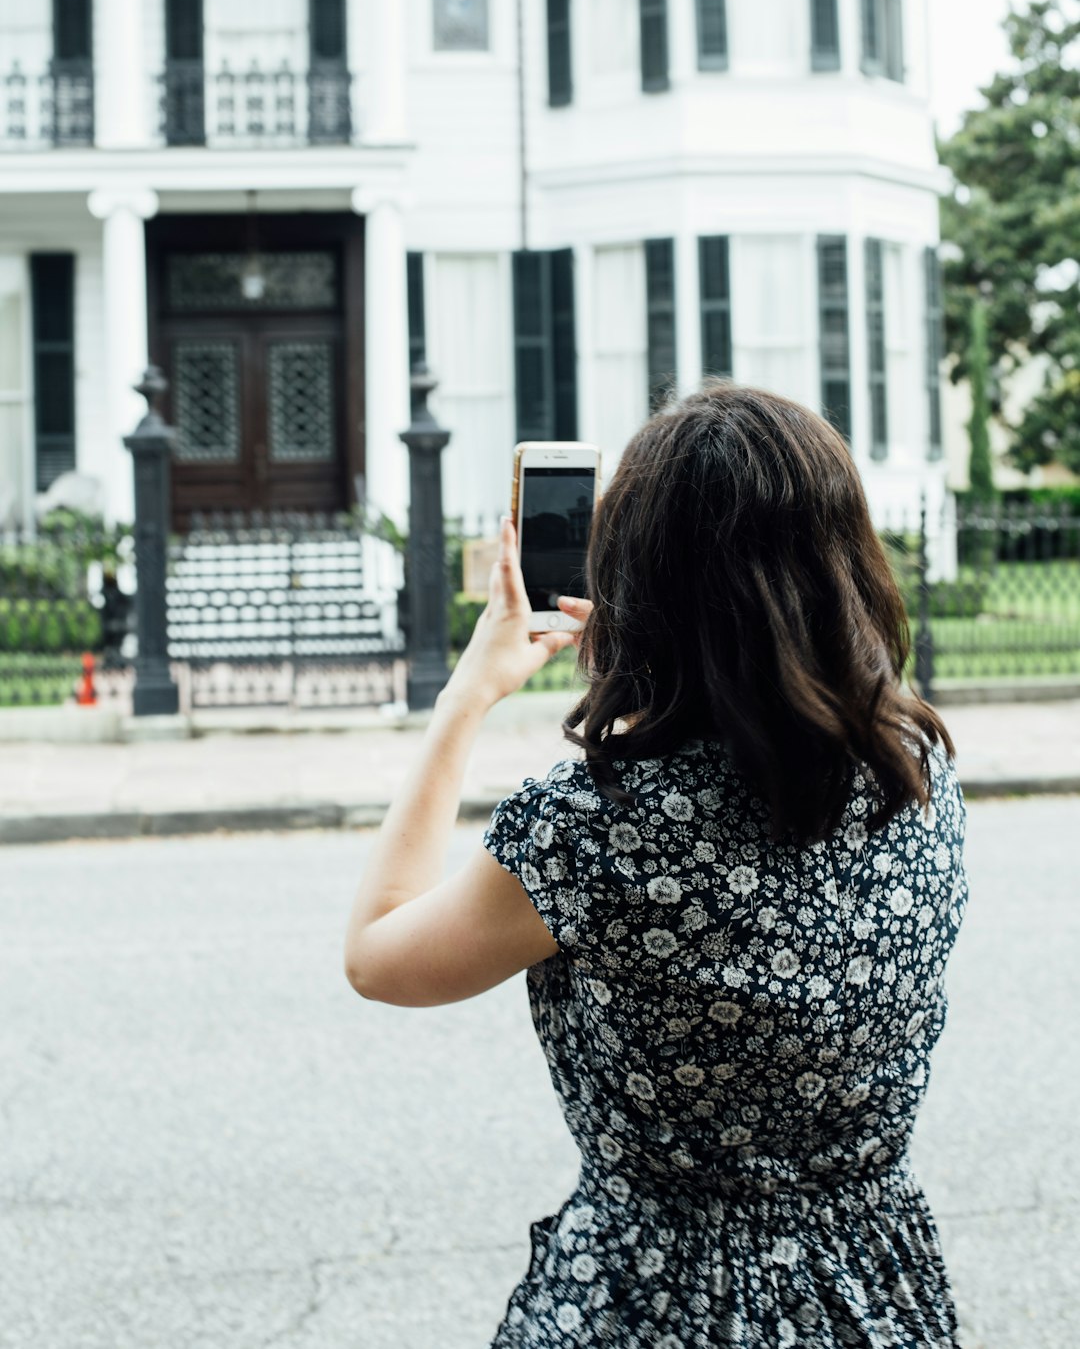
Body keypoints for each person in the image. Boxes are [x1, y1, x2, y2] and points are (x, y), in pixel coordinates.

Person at [343, 381, 969, 1348]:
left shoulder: (599, 827)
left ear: (638, 576)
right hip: (867, 1290)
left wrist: (467, 696)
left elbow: (379, 958)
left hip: (653, 1298)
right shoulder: (919, 771)